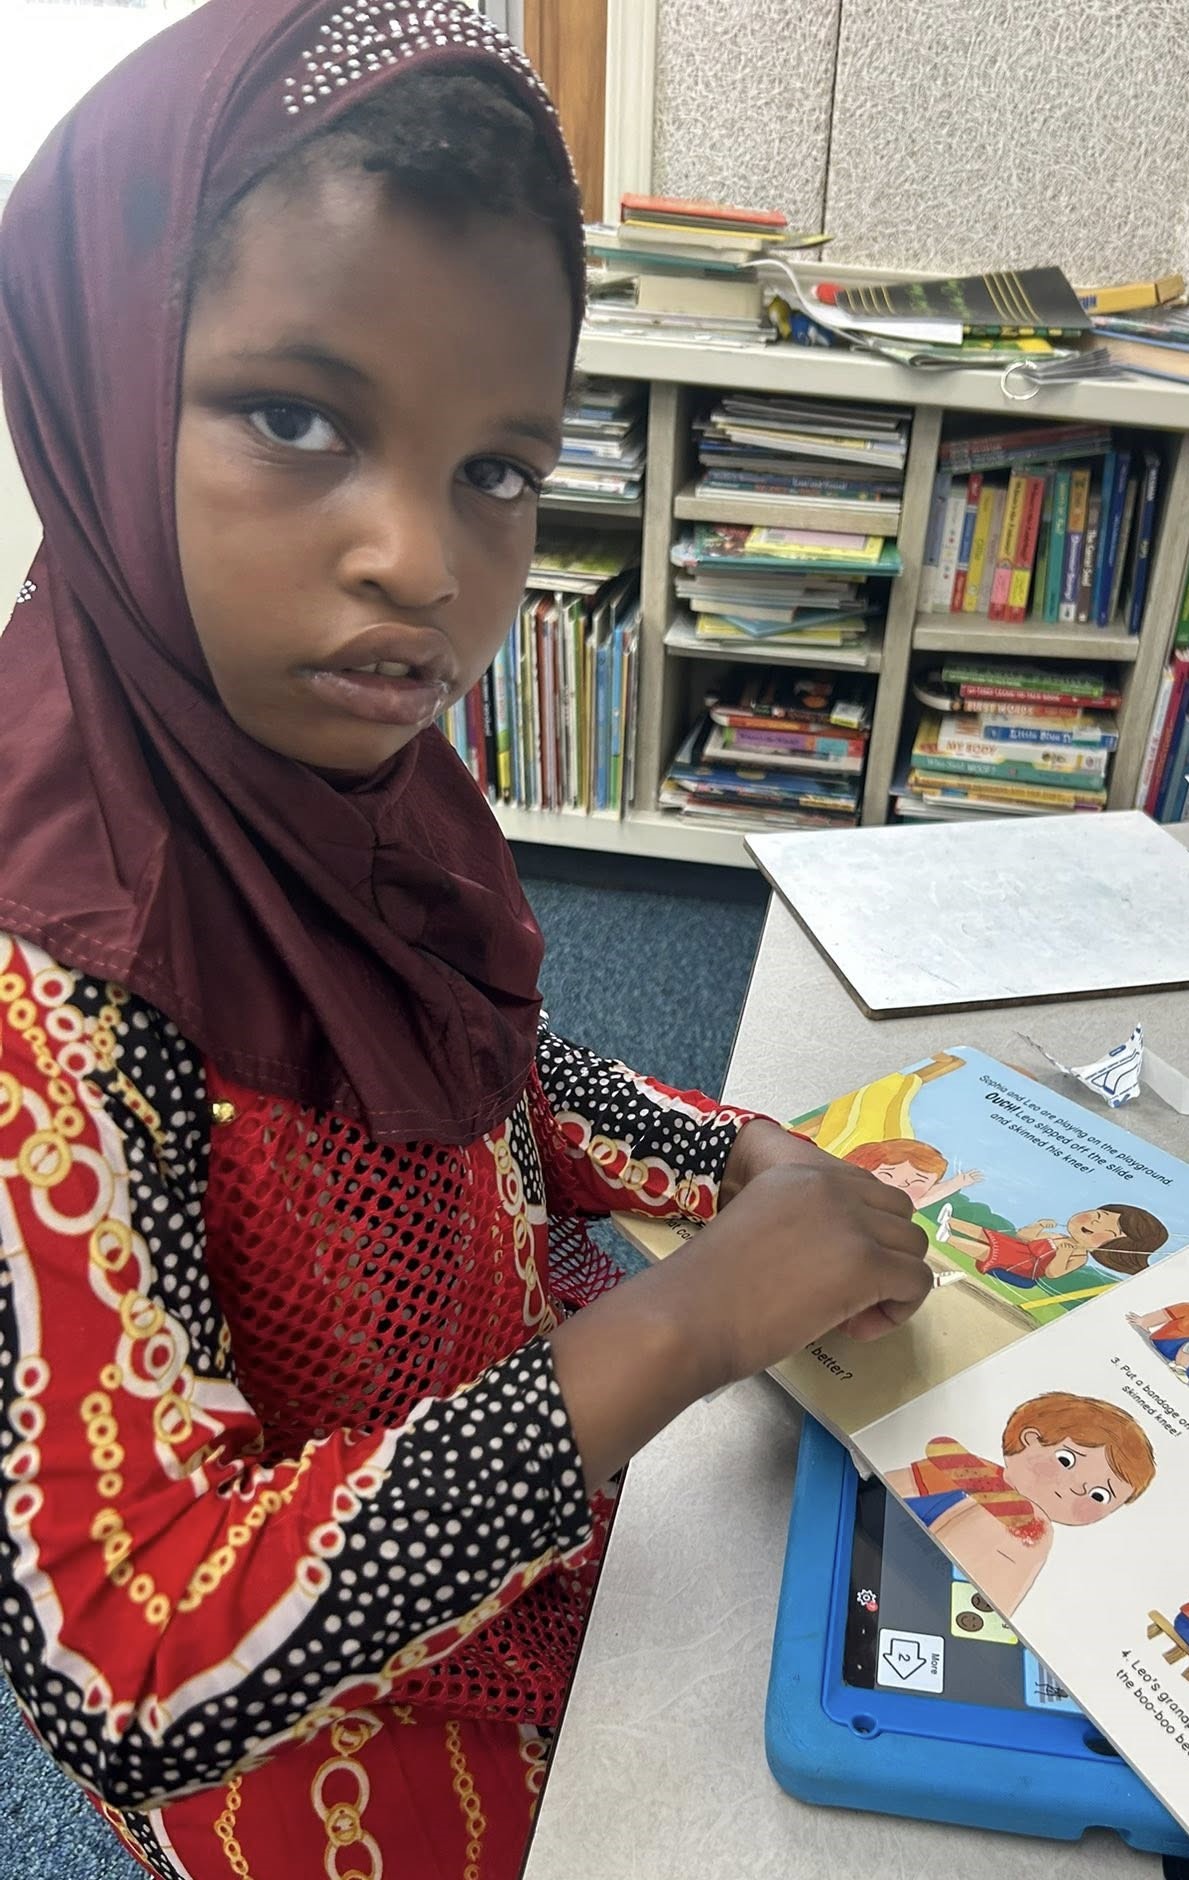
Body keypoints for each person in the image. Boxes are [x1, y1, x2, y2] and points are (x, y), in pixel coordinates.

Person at [0, 5, 933, 1877]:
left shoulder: (346, 763)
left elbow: (472, 1075)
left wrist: (715, 1156)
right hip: (333, 1715)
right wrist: (692, 1315)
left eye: (496, 471)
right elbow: (128, 1655)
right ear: (103, 380)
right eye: (296, 419)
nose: (422, 565)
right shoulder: (51, 984)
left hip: (534, 1438)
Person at [885, 1391, 1155, 1617]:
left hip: (908, 1586)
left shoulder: (1032, 1531)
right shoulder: (965, 1467)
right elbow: (896, 1482)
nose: (1077, 1487)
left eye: (1100, 1496)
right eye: (1065, 1460)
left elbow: (991, 1597)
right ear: (1030, 1439)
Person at [935, 1201, 1167, 1287]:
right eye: (1097, 1215)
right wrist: (1039, 1227)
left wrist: (1062, 1256)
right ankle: (950, 1222)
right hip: (1020, 1250)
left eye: (1106, 1230)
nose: (1093, 1223)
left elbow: (1053, 1273)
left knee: (990, 1251)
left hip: (1025, 1267)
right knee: (991, 1236)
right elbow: (1025, 1237)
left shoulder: (1079, 1256)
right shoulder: (1059, 1236)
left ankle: (948, 1237)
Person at [843, 1137, 982, 1213]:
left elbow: (921, 1200)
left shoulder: (896, 1206)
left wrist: (955, 1184)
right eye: (887, 1174)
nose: (902, 1184)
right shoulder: (845, 1190)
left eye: (917, 1182)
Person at [1129, 1304, 1189, 1375]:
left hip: (1179, 1353)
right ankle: (1180, 1367)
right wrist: (1143, 1321)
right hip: (1167, 1342)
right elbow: (1163, 1316)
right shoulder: (1186, 1308)